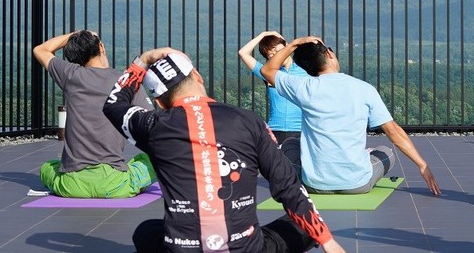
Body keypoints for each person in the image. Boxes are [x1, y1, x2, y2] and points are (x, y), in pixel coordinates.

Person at [103, 48, 345, 253]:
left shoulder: (153, 126)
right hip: (247, 248)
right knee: (302, 225)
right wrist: (328, 241)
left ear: (159, 102)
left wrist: (142, 62)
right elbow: (287, 186)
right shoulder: (249, 122)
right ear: (197, 76)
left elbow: (114, 104)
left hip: (181, 248)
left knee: (145, 231)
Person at [260, 36, 441, 196]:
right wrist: (422, 165)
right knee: (386, 153)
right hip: (357, 184)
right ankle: (362, 158)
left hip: (315, 184)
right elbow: (393, 131)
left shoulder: (303, 86)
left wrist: (294, 44)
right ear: (329, 54)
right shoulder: (364, 89)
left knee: (289, 145)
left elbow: (267, 70)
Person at [33, 30, 157, 198]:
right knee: (154, 160)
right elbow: (152, 124)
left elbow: (40, 50)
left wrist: (74, 36)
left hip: (72, 185)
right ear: (101, 47)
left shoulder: (71, 75)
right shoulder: (126, 81)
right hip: (114, 185)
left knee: (47, 167)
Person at [238, 31, 308, 145]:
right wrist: (263, 35)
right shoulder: (268, 73)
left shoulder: (306, 71)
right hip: (275, 131)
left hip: (301, 130)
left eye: (277, 49)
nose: (276, 54)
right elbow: (243, 53)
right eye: (270, 54)